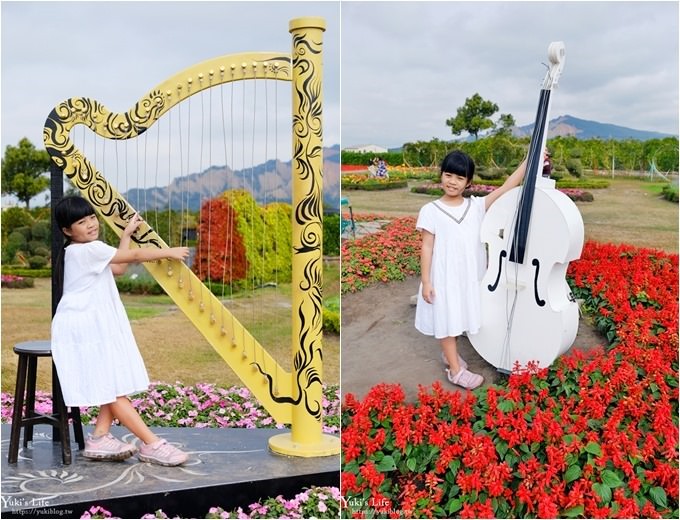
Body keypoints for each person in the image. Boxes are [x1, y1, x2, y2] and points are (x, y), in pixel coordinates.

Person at [51, 196, 191, 465]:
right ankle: (152, 444)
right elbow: (136, 256)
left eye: (92, 217)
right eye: (81, 222)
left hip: (87, 325)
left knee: (112, 383)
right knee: (113, 389)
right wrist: (168, 251)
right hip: (83, 329)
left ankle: (100, 437)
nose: (91, 224)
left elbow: (118, 268)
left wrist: (125, 235)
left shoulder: (87, 250)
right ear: (68, 231)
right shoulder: (86, 250)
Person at [414, 151, 526, 389]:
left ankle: (449, 355)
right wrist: (426, 281)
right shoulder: (431, 210)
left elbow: (506, 187)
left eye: (459, 177)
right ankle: (455, 371)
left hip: (468, 277)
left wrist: (528, 163)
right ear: (441, 175)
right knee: (446, 318)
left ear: (469, 182)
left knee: (458, 316)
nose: (452, 182)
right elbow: (426, 247)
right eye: (448, 175)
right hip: (442, 278)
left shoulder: (476, 206)